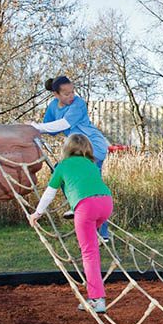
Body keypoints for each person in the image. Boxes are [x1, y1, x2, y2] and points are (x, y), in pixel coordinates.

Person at [28, 134, 113, 314]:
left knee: (89, 253)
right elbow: (86, 185)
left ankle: (97, 299)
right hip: (106, 204)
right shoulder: (90, 164)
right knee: (92, 242)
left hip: (86, 207)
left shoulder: (62, 166)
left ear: (67, 148)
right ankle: (95, 233)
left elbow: (49, 193)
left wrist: (37, 213)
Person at [30, 75, 110, 240]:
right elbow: (49, 129)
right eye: (66, 94)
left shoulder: (78, 103)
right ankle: (80, 209)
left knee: (92, 187)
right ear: (56, 95)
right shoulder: (53, 106)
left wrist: (36, 127)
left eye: (72, 92)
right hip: (78, 149)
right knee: (63, 174)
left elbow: (64, 124)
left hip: (93, 146)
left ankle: (102, 232)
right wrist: (33, 131)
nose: (71, 96)